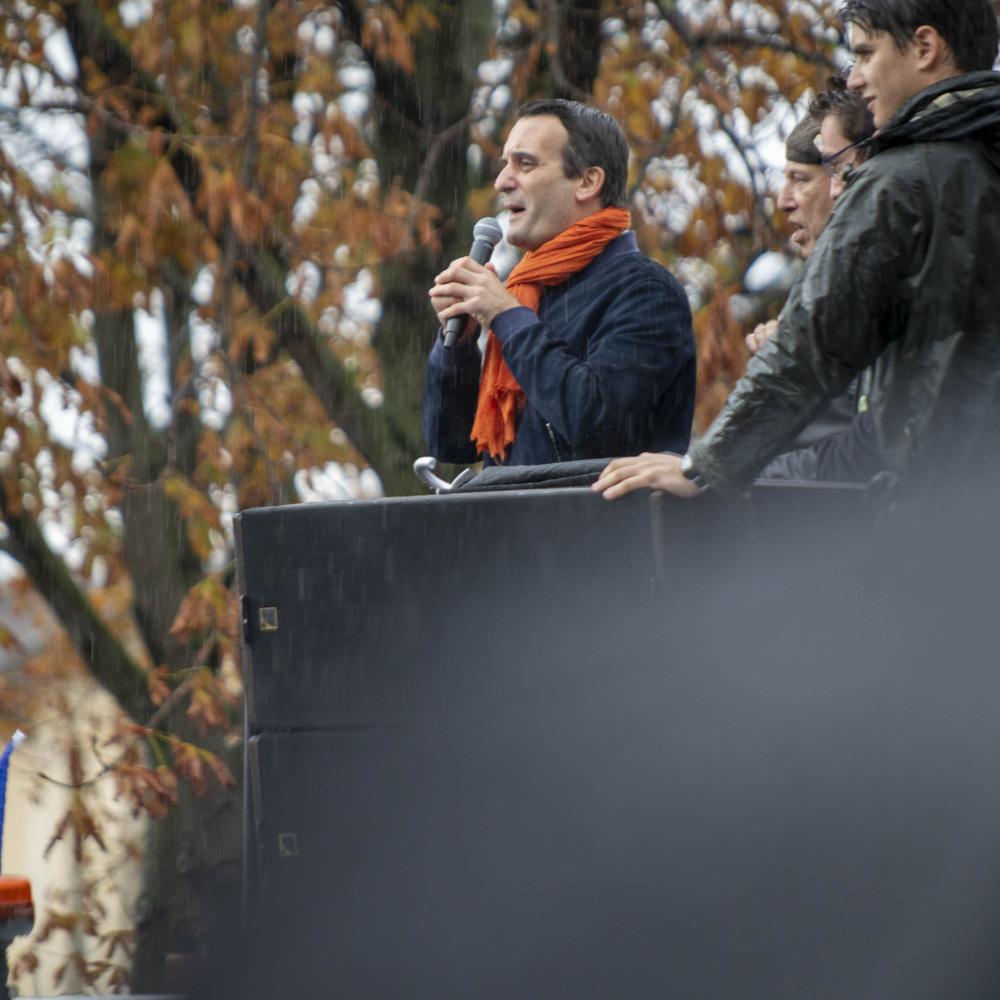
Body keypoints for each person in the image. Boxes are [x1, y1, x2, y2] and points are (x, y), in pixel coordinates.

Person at [595, 0, 1000, 502]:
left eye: (866, 54)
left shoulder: (904, 180)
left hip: (939, 512)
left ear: (924, 47)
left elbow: (810, 347)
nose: (855, 78)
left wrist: (708, 465)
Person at [423, 99, 696, 467]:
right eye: (505, 164)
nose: (502, 182)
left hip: (594, 508)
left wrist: (508, 318)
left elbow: (599, 428)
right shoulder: (526, 291)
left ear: (587, 182)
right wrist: (458, 346)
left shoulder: (646, 291)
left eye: (525, 164)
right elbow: (452, 445)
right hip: (509, 506)